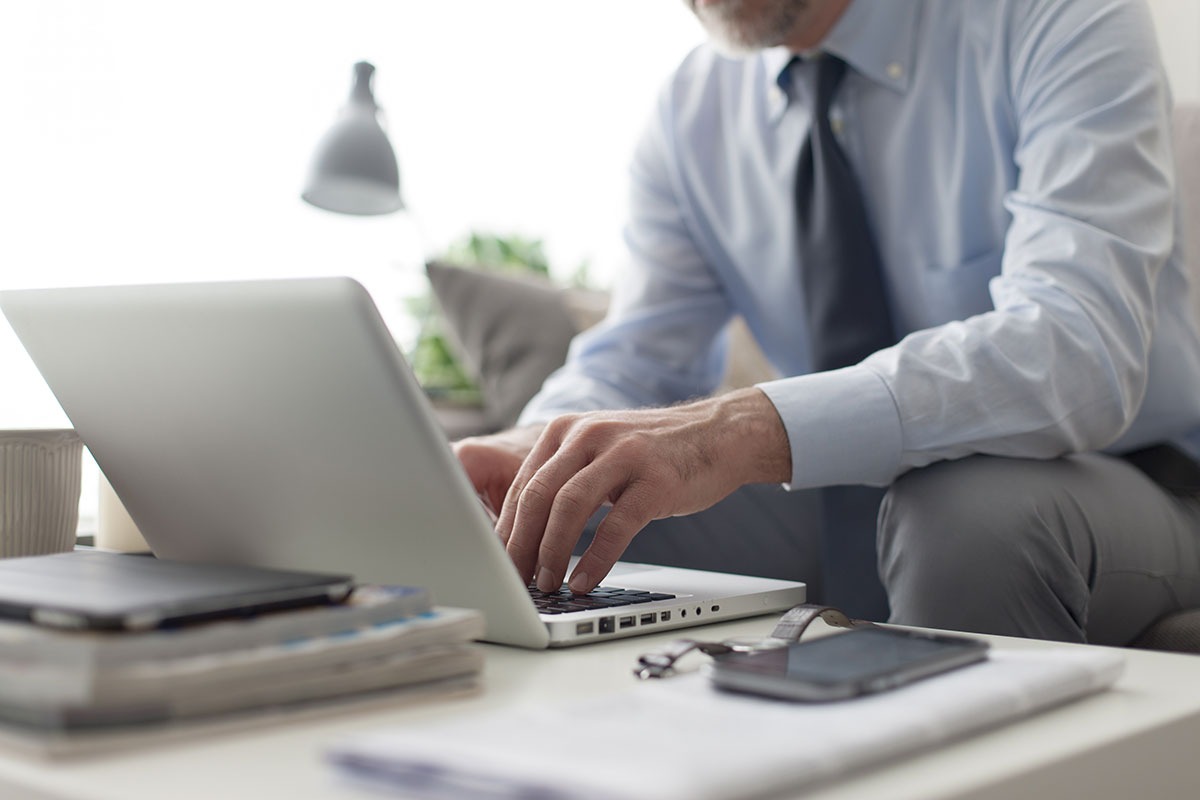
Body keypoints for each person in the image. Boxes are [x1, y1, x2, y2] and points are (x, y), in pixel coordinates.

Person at [454, 0, 1200, 644]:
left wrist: (739, 431)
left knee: (962, 519)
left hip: (1124, 477)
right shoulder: (691, 112)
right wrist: (537, 449)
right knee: (562, 514)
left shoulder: (1056, 17)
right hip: (833, 496)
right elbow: (635, 357)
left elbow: (1077, 347)